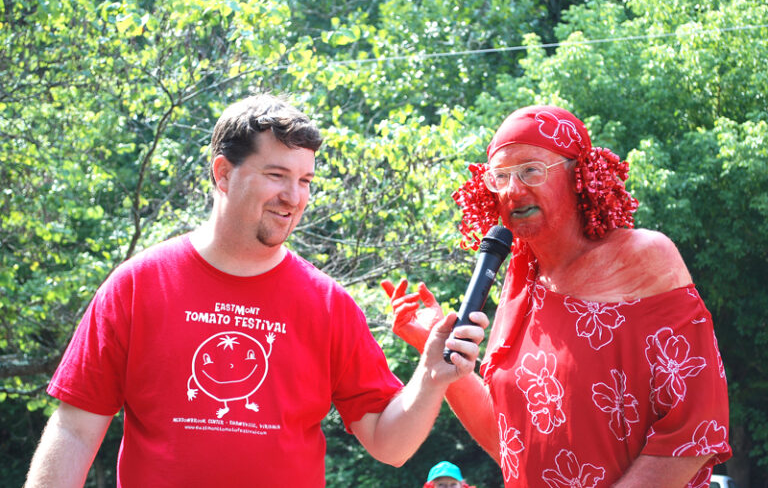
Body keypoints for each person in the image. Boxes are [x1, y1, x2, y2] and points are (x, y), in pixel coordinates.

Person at [24, 93, 488, 488]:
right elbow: (76, 431)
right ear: (222, 173)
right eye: (276, 175)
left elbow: (391, 445)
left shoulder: (328, 304)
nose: (295, 196)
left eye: (305, 180)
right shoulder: (139, 284)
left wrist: (430, 378)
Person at [383, 105, 732, 487]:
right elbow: (511, 441)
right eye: (500, 177)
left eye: (531, 170)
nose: (513, 191)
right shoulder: (519, 281)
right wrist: (432, 344)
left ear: (579, 174)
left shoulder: (643, 257)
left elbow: (696, 427)